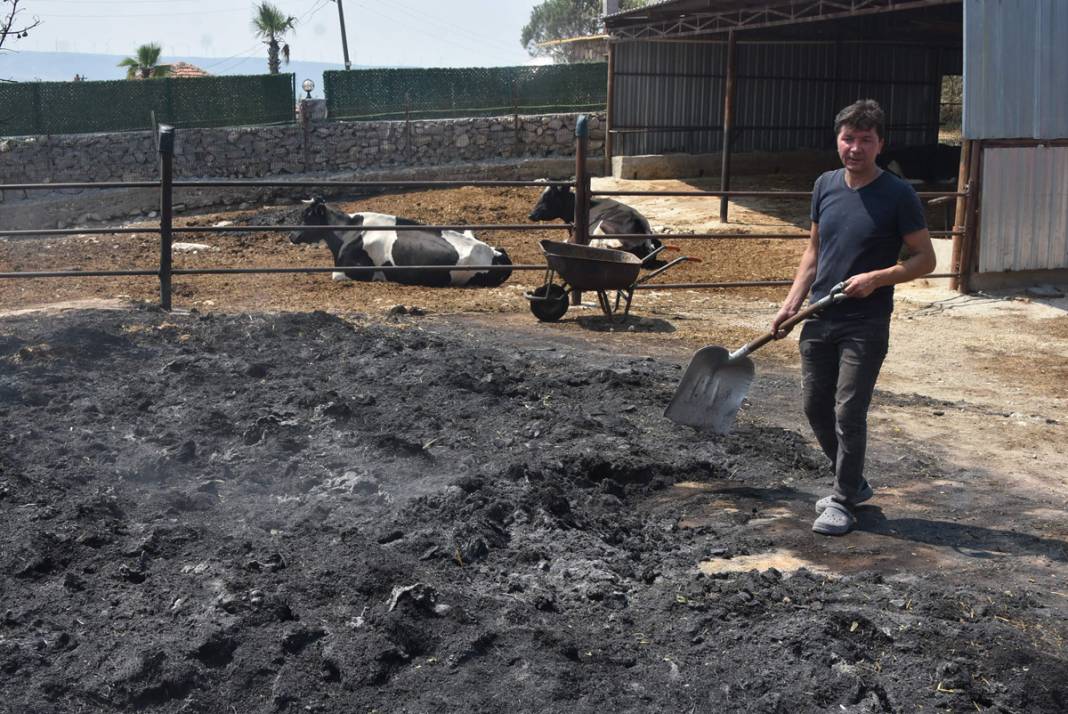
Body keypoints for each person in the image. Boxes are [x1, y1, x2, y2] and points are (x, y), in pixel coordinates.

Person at [771, 99, 936, 536]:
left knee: (849, 411)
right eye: (848, 138)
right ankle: (854, 482)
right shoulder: (824, 185)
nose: (855, 148)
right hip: (819, 314)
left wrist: (876, 278)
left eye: (866, 140)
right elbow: (814, 252)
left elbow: (925, 259)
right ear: (838, 140)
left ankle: (843, 500)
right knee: (814, 406)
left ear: (880, 144)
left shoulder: (898, 195)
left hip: (865, 321)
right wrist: (791, 304)